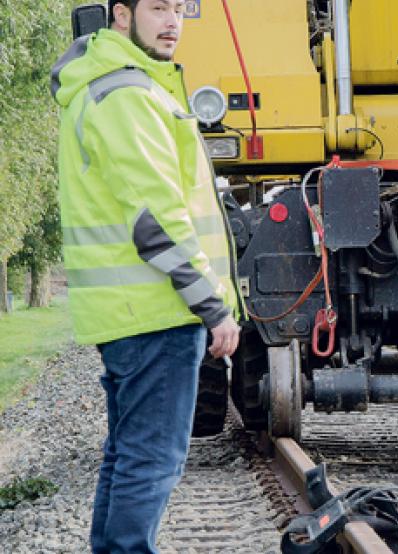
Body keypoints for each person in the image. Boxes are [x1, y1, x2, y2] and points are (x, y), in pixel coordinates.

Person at [51, 0, 243, 551]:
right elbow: (154, 218)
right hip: (155, 311)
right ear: (120, 15)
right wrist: (211, 304)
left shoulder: (118, 84)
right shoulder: (127, 93)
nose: (172, 21)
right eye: (157, 8)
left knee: (129, 455)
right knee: (152, 461)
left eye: (179, 9)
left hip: (133, 312)